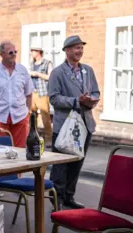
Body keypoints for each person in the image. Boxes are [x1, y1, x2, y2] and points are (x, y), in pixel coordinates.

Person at [48, 35, 100, 210]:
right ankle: (57, 197)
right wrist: (77, 101)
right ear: (67, 50)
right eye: (76, 48)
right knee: (61, 163)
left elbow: (96, 92)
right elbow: (54, 99)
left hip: (85, 124)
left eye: (81, 48)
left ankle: (69, 196)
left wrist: (92, 100)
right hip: (65, 125)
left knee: (77, 162)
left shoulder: (88, 70)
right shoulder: (57, 72)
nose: (80, 51)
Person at [0, 41, 34, 148]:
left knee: (20, 150)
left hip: (20, 116)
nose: (14, 54)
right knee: (0, 149)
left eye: (15, 52)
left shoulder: (22, 70)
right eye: (11, 52)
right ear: (1, 54)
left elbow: (29, 94)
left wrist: (27, 112)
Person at [29, 46, 53, 145]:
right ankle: (35, 137)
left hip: (42, 93)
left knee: (45, 116)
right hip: (32, 92)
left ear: (39, 52)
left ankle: (49, 139)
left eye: (33, 51)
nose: (31, 53)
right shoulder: (32, 64)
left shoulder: (47, 63)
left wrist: (37, 74)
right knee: (32, 116)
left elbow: (50, 77)